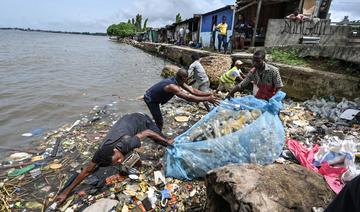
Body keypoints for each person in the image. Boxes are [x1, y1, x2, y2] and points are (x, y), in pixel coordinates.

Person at [55, 113, 173, 204]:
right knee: (128, 153)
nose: (120, 161)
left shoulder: (126, 143)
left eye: (117, 159)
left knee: (160, 139)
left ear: (116, 150)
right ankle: (139, 163)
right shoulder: (101, 153)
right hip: (125, 121)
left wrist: (166, 141)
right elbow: (86, 171)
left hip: (141, 119)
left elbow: (147, 132)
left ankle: (166, 141)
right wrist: (66, 192)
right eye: (116, 162)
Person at [144, 68, 219, 130]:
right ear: (183, 78)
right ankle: (157, 136)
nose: (188, 79)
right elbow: (188, 98)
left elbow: (193, 91)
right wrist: (207, 98)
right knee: (159, 121)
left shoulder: (179, 81)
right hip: (150, 99)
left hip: (156, 98)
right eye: (187, 77)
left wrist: (209, 94)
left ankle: (153, 128)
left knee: (157, 117)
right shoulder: (172, 86)